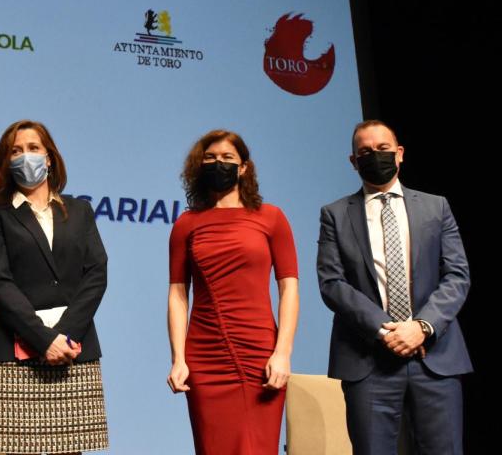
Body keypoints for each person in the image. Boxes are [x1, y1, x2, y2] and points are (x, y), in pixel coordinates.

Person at [317, 120, 471, 454]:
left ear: (399, 154)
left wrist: (421, 326)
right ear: (353, 161)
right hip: (368, 358)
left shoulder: (436, 206)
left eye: (383, 149)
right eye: (365, 152)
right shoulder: (334, 214)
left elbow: (457, 275)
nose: (375, 156)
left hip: (435, 356)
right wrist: (385, 331)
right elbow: (332, 283)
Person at [0, 120, 109, 455]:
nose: (25, 157)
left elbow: (96, 273)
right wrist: (43, 339)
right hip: (17, 354)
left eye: (33, 148)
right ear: (6, 163)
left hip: (71, 351)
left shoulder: (79, 211)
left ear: (49, 157)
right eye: (16, 151)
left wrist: (65, 336)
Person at [167, 129, 299, 455]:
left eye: (227, 158)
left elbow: (289, 289)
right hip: (205, 358)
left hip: (259, 353)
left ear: (244, 168)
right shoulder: (186, 224)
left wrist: (282, 353)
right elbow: (177, 294)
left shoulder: (271, 218)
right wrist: (178, 359)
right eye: (210, 158)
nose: (218, 164)